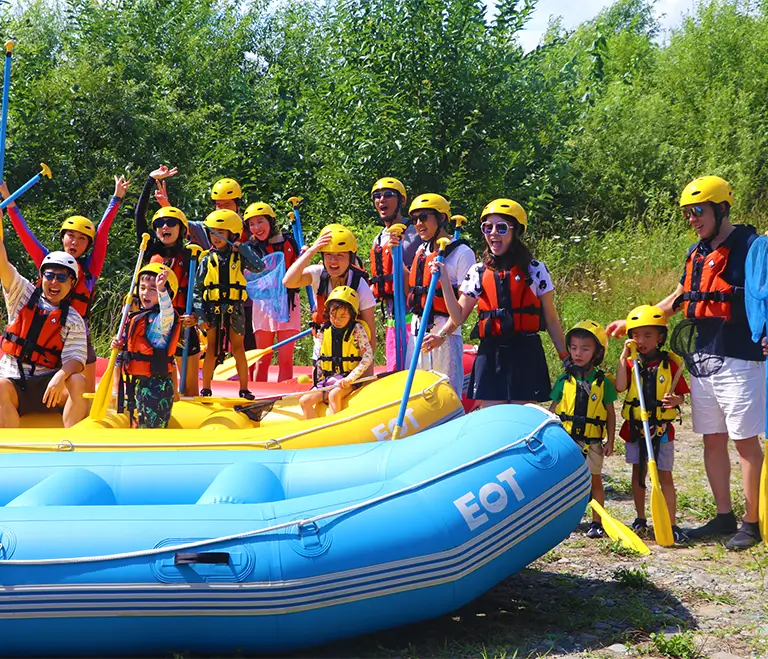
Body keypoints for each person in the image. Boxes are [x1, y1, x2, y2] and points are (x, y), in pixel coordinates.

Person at [606, 176, 764, 550]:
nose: (692, 219)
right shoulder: (697, 253)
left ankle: (752, 522)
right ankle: (724, 516)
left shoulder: (751, 247)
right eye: (686, 214)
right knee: (713, 439)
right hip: (703, 358)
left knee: (744, 442)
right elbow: (678, 298)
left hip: (741, 356)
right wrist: (635, 321)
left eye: (697, 211)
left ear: (721, 208)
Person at [2, 175, 130, 391]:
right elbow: (25, 234)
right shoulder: (48, 261)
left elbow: (102, 232)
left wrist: (116, 198)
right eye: (70, 236)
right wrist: (8, 199)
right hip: (47, 332)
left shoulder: (90, 269)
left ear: (88, 245)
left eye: (82, 239)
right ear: (62, 238)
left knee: (85, 391)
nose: (75, 242)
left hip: (77, 335)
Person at [434, 198, 567, 404]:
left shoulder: (535, 269)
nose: (493, 233)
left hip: (526, 352)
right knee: (492, 417)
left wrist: (565, 357)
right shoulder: (478, 271)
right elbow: (458, 316)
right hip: (491, 354)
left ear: (516, 231)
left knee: (522, 417)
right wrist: (444, 280)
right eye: (487, 227)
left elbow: (550, 318)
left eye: (501, 227)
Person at [387, 193, 474, 397]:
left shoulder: (463, 253)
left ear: (441, 218)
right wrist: (394, 254)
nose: (418, 224)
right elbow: (411, 288)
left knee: (446, 395)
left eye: (424, 217)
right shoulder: (421, 250)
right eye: (415, 219)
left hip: (445, 335)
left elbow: (463, 309)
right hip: (417, 332)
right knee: (415, 394)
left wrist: (442, 335)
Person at [615, 305, 690, 544]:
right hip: (636, 428)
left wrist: (676, 400)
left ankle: (671, 522)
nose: (642, 340)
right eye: (636, 335)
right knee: (639, 475)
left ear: (660, 337)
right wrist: (623, 358)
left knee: (664, 476)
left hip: (661, 430)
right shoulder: (631, 363)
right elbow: (620, 387)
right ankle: (640, 518)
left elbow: (682, 395)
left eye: (648, 335)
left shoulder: (670, 364)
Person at [0, 232, 88, 428]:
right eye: (50, 276)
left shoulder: (73, 319)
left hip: (49, 386)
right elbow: (2, 265)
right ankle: (10, 444)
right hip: (14, 379)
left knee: (78, 381)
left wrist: (60, 377)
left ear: (72, 283)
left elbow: (75, 359)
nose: (54, 282)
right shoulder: (22, 294)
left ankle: (71, 440)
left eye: (62, 277)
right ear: (41, 277)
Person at [135, 166, 202, 397]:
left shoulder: (191, 254)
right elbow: (139, 216)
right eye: (160, 223)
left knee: (190, 386)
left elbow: (199, 290)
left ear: (182, 229)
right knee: (160, 376)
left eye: (171, 223)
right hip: (153, 324)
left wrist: (197, 316)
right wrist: (149, 180)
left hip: (182, 322)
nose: (165, 226)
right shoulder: (150, 249)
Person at [549, 321, 617, 538]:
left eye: (585, 349)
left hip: (593, 442)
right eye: (574, 348)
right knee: (566, 482)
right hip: (567, 441)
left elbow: (611, 413)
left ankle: (597, 522)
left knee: (595, 481)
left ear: (597, 353)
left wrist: (611, 441)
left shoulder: (603, 383)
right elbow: (552, 410)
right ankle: (565, 521)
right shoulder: (564, 380)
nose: (578, 353)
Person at [283, 223, 376, 370]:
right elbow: (288, 281)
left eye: (340, 255)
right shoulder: (317, 273)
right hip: (323, 349)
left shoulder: (359, 284)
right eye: (328, 255)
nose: (333, 261)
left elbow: (370, 333)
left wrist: (366, 372)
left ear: (350, 258)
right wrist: (312, 251)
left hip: (352, 352)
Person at [194, 209, 254, 400]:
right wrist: (200, 315)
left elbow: (259, 266)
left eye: (220, 233)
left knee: (238, 348)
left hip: (235, 308)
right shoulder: (206, 259)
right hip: (212, 309)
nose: (215, 237)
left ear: (232, 234)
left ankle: (244, 388)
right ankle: (206, 388)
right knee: (211, 348)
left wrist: (243, 249)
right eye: (212, 233)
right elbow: (197, 289)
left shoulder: (240, 257)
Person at [111, 264, 180, 429]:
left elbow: (167, 311)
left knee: (151, 430)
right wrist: (119, 345)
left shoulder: (163, 320)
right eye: (142, 288)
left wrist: (162, 290)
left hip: (156, 386)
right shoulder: (138, 317)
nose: (145, 293)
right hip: (137, 383)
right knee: (138, 427)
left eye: (152, 289)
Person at [244, 201, 301, 382]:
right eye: (252, 224)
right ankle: (258, 395)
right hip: (263, 304)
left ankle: (284, 395)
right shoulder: (250, 248)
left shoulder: (290, 241)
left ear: (271, 221)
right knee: (263, 359)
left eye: (260, 221)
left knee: (285, 359)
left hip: (288, 302)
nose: (256, 228)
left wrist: (304, 254)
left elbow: (298, 268)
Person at [368, 177, 420, 370]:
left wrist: (395, 254)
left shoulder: (416, 234)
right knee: (394, 372)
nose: (382, 199)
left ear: (402, 200)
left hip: (414, 319)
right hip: (392, 320)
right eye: (377, 196)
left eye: (388, 195)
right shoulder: (378, 239)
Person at [299, 286, 373, 419]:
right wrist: (318, 379)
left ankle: (335, 425)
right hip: (328, 380)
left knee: (334, 395)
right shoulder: (324, 330)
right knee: (304, 401)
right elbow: (320, 357)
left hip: (349, 380)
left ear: (352, 315)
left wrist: (351, 378)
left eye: (342, 316)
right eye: (333, 315)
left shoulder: (357, 330)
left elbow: (368, 356)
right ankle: (315, 428)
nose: (337, 320)